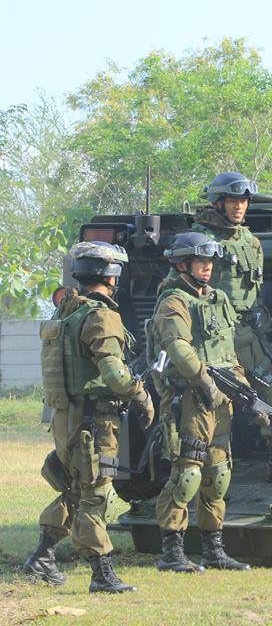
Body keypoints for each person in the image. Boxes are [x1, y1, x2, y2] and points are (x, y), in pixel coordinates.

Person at [24, 241, 153, 593]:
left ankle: (41, 556)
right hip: (93, 422)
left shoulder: (65, 311)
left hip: (65, 418)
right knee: (95, 494)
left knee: (75, 489)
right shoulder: (101, 316)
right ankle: (102, 573)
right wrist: (140, 393)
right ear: (111, 276)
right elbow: (113, 374)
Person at [186, 172, 272, 482]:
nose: (240, 206)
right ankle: (207, 481)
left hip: (247, 336)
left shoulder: (250, 241)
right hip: (211, 340)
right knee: (210, 411)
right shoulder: (200, 242)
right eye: (233, 200)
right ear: (218, 203)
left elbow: (254, 289)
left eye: (244, 200)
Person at [149, 232, 250, 572]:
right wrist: (205, 383)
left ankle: (213, 549)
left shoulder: (218, 299)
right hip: (189, 398)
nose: (207, 268)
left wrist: (241, 387)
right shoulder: (173, 301)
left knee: (218, 474)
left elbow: (228, 349)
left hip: (220, 398)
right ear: (182, 264)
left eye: (210, 262)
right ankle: (172, 552)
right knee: (186, 475)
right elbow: (178, 348)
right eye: (200, 262)